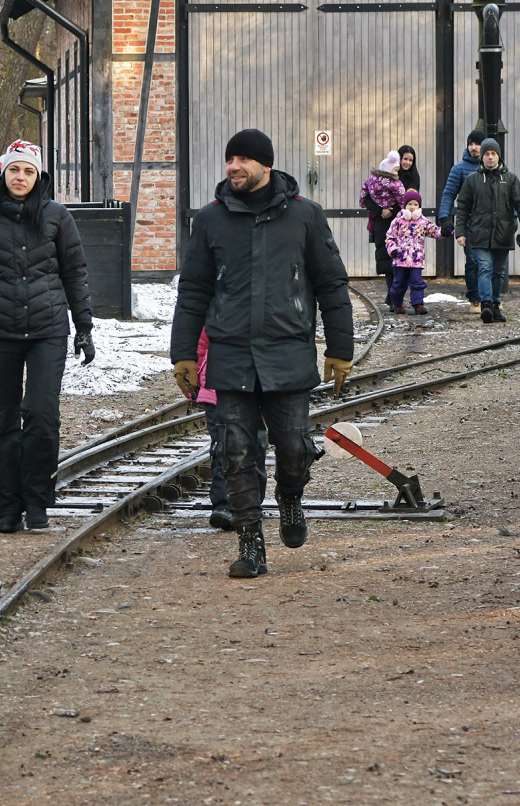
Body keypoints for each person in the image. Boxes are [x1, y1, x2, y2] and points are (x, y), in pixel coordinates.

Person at [171, 128, 353, 579]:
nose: (233, 167)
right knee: (235, 452)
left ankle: (290, 496)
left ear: (265, 166)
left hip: (287, 352)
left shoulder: (305, 216)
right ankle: (250, 543)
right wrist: (183, 353)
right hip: (231, 354)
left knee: (292, 448)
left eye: (243, 160)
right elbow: (193, 290)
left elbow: (331, 283)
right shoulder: (210, 220)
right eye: (229, 159)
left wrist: (340, 347)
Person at [0, 139, 95, 534]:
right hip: (0, 329)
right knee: (1, 420)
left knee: (42, 416)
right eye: (14, 169)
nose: (20, 177)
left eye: (28, 171)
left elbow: (75, 273)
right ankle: (7, 504)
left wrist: (84, 327)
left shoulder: (57, 216)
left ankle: (36, 499)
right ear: (3, 173)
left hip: (48, 329)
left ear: (38, 176)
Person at [194, 328, 268, 531]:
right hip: (217, 389)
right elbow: (199, 343)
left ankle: (251, 503)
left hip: (255, 388)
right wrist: (193, 376)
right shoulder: (215, 312)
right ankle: (224, 505)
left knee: (255, 446)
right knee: (223, 448)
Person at [453, 137, 520, 324]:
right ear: (482, 157)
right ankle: (486, 304)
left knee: (498, 272)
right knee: (485, 268)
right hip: (479, 233)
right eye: (487, 154)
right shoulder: (473, 180)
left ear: (498, 156)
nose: (490, 157)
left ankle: (495, 306)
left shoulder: (510, 179)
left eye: (493, 154)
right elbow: (462, 207)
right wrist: (460, 232)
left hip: (503, 233)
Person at [438, 130, 487, 313]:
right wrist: (444, 217)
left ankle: (490, 298)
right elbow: (449, 194)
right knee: (473, 261)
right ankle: (475, 300)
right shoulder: (459, 169)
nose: (474, 147)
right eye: (470, 144)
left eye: (477, 144)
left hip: (491, 224)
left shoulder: (493, 166)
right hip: (469, 224)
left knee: (490, 263)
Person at [385, 190, 445, 315]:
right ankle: (397, 303)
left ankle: (418, 304)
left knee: (417, 282)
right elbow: (390, 237)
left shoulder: (423, 221)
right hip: (400, 259)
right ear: (405, 206)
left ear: (419, 207)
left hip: (416, 259)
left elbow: (434, 231)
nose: (412, 207)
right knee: (399, 283)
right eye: (410, 204)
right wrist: (393, 250)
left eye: (415, 204)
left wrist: (444, 231)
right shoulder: (398, 221)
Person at [359, 151, 405, 303]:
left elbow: (364, 199)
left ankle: (393, 294)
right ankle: (393, 294)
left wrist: (380, 210)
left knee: (387, 256)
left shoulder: (371, 181)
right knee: (392, 257)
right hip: (393, 222)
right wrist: (385, 211)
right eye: (395, 170)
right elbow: (403, 201)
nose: (397, 173)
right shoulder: (395, 183)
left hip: (382, 222)